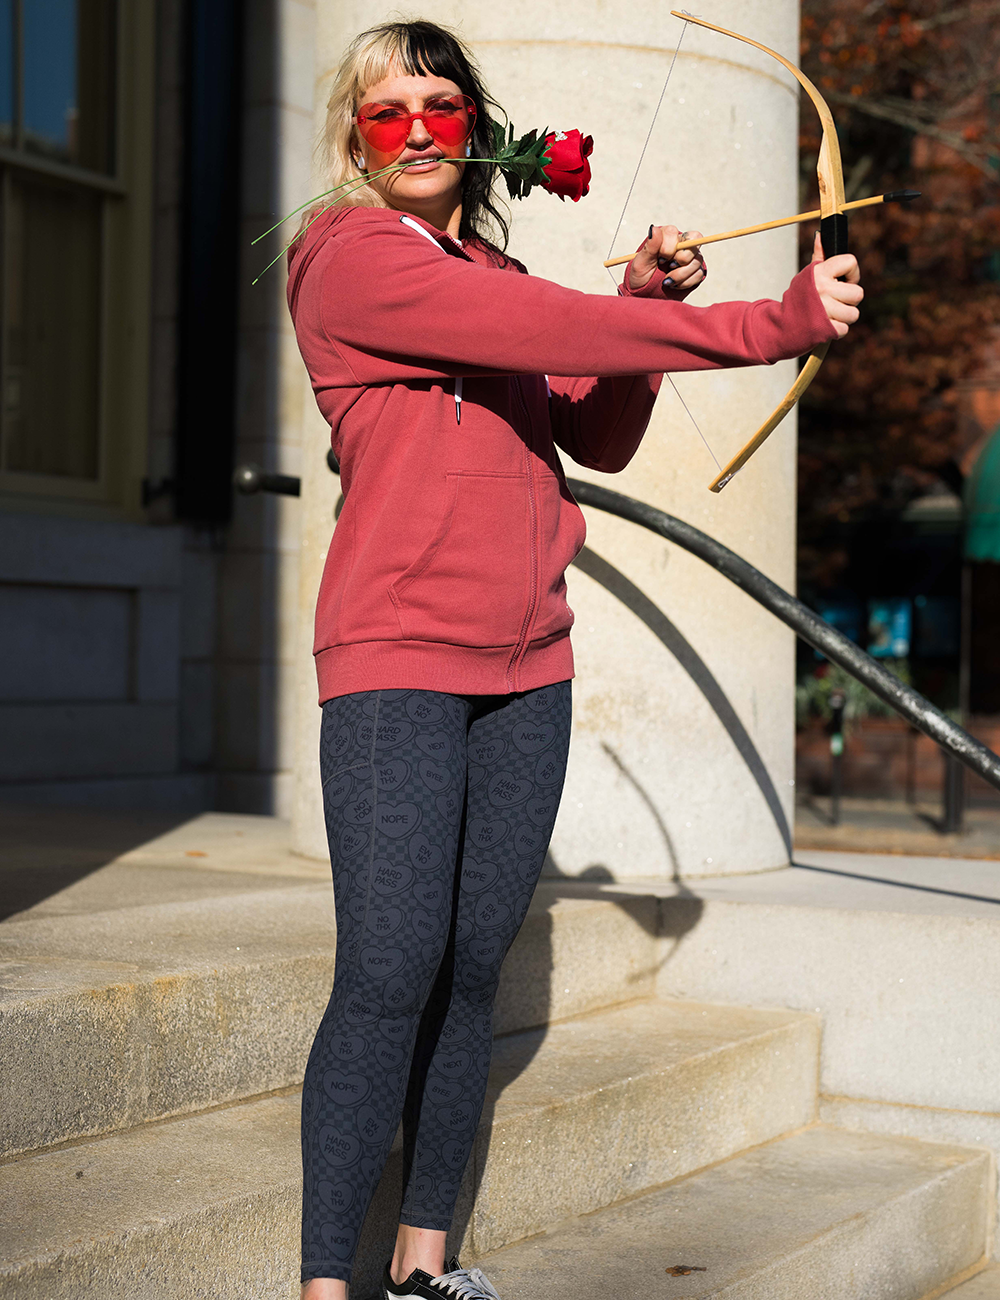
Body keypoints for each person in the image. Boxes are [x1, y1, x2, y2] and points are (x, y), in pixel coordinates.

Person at [286, 18, 862, 1300]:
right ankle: (326, 1285)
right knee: (388, 972)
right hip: (396, 660)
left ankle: (426, 1263)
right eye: (390, 112)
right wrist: (771, 320)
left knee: (470, 964)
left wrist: (643, 308)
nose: (420, 128)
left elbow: (591, 429)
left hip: (526, 665)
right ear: (353, 140)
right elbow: (542, 324)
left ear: (475, 127)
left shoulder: (475, 269)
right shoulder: (348, 259)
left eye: (443, 105)